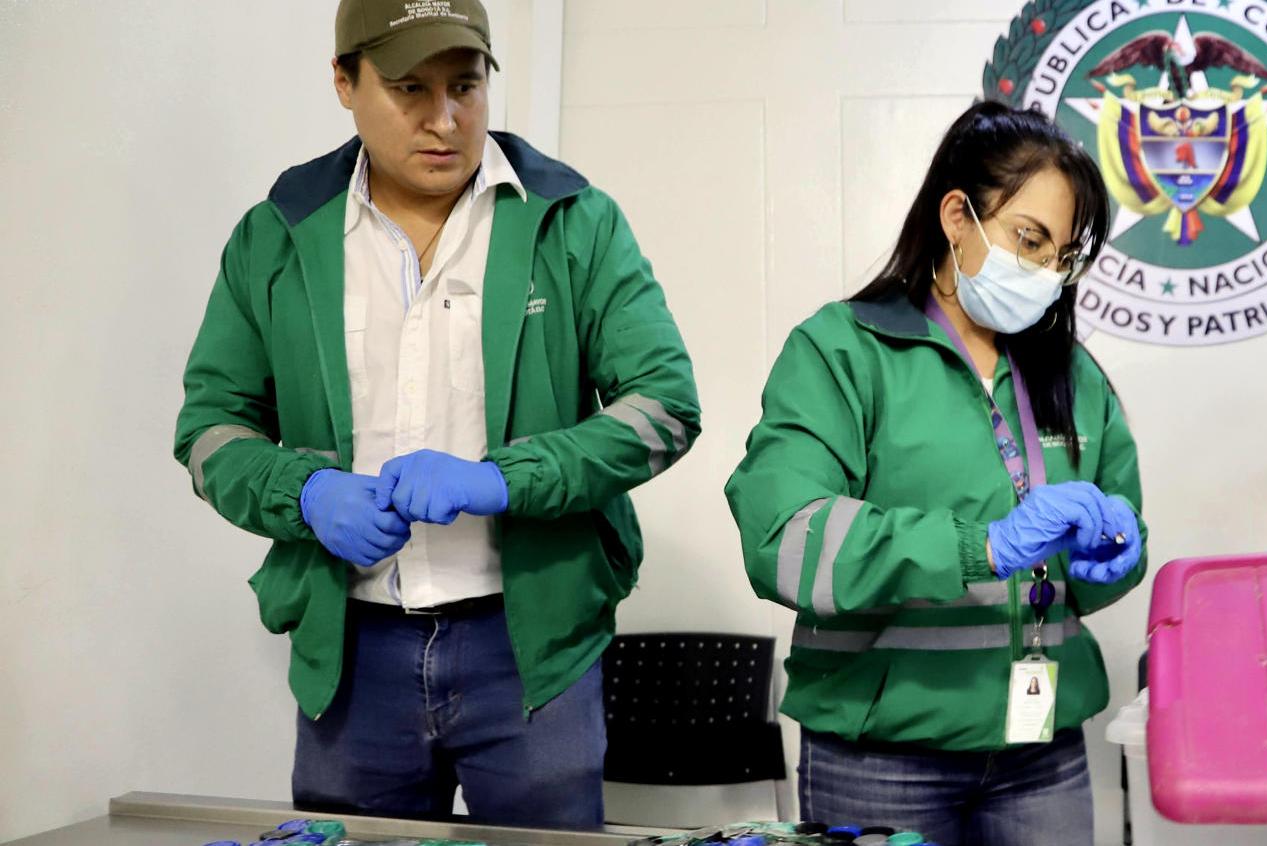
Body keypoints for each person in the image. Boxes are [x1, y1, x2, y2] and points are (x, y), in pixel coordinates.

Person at [172, 0, 699, 828]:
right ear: (344, 83)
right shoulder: (276, 238)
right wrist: (305, 492)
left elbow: (663, 407)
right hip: (350, 653)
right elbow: (209, 431)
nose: (445, 119)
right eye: (409, 88)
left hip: (533, 650)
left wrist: (503, 480)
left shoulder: (573, 223)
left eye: (466, 85)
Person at [724, 101, 1145, 846]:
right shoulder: (841, 351)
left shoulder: (1072, 375)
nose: (1047, 272)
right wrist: (976, 547)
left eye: (1063, 255)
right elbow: (784, 539)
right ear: (957, 216)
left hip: (1040, 751)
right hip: (881, 754)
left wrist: (1116, 553)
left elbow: (1099, 563)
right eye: (1028, 239)